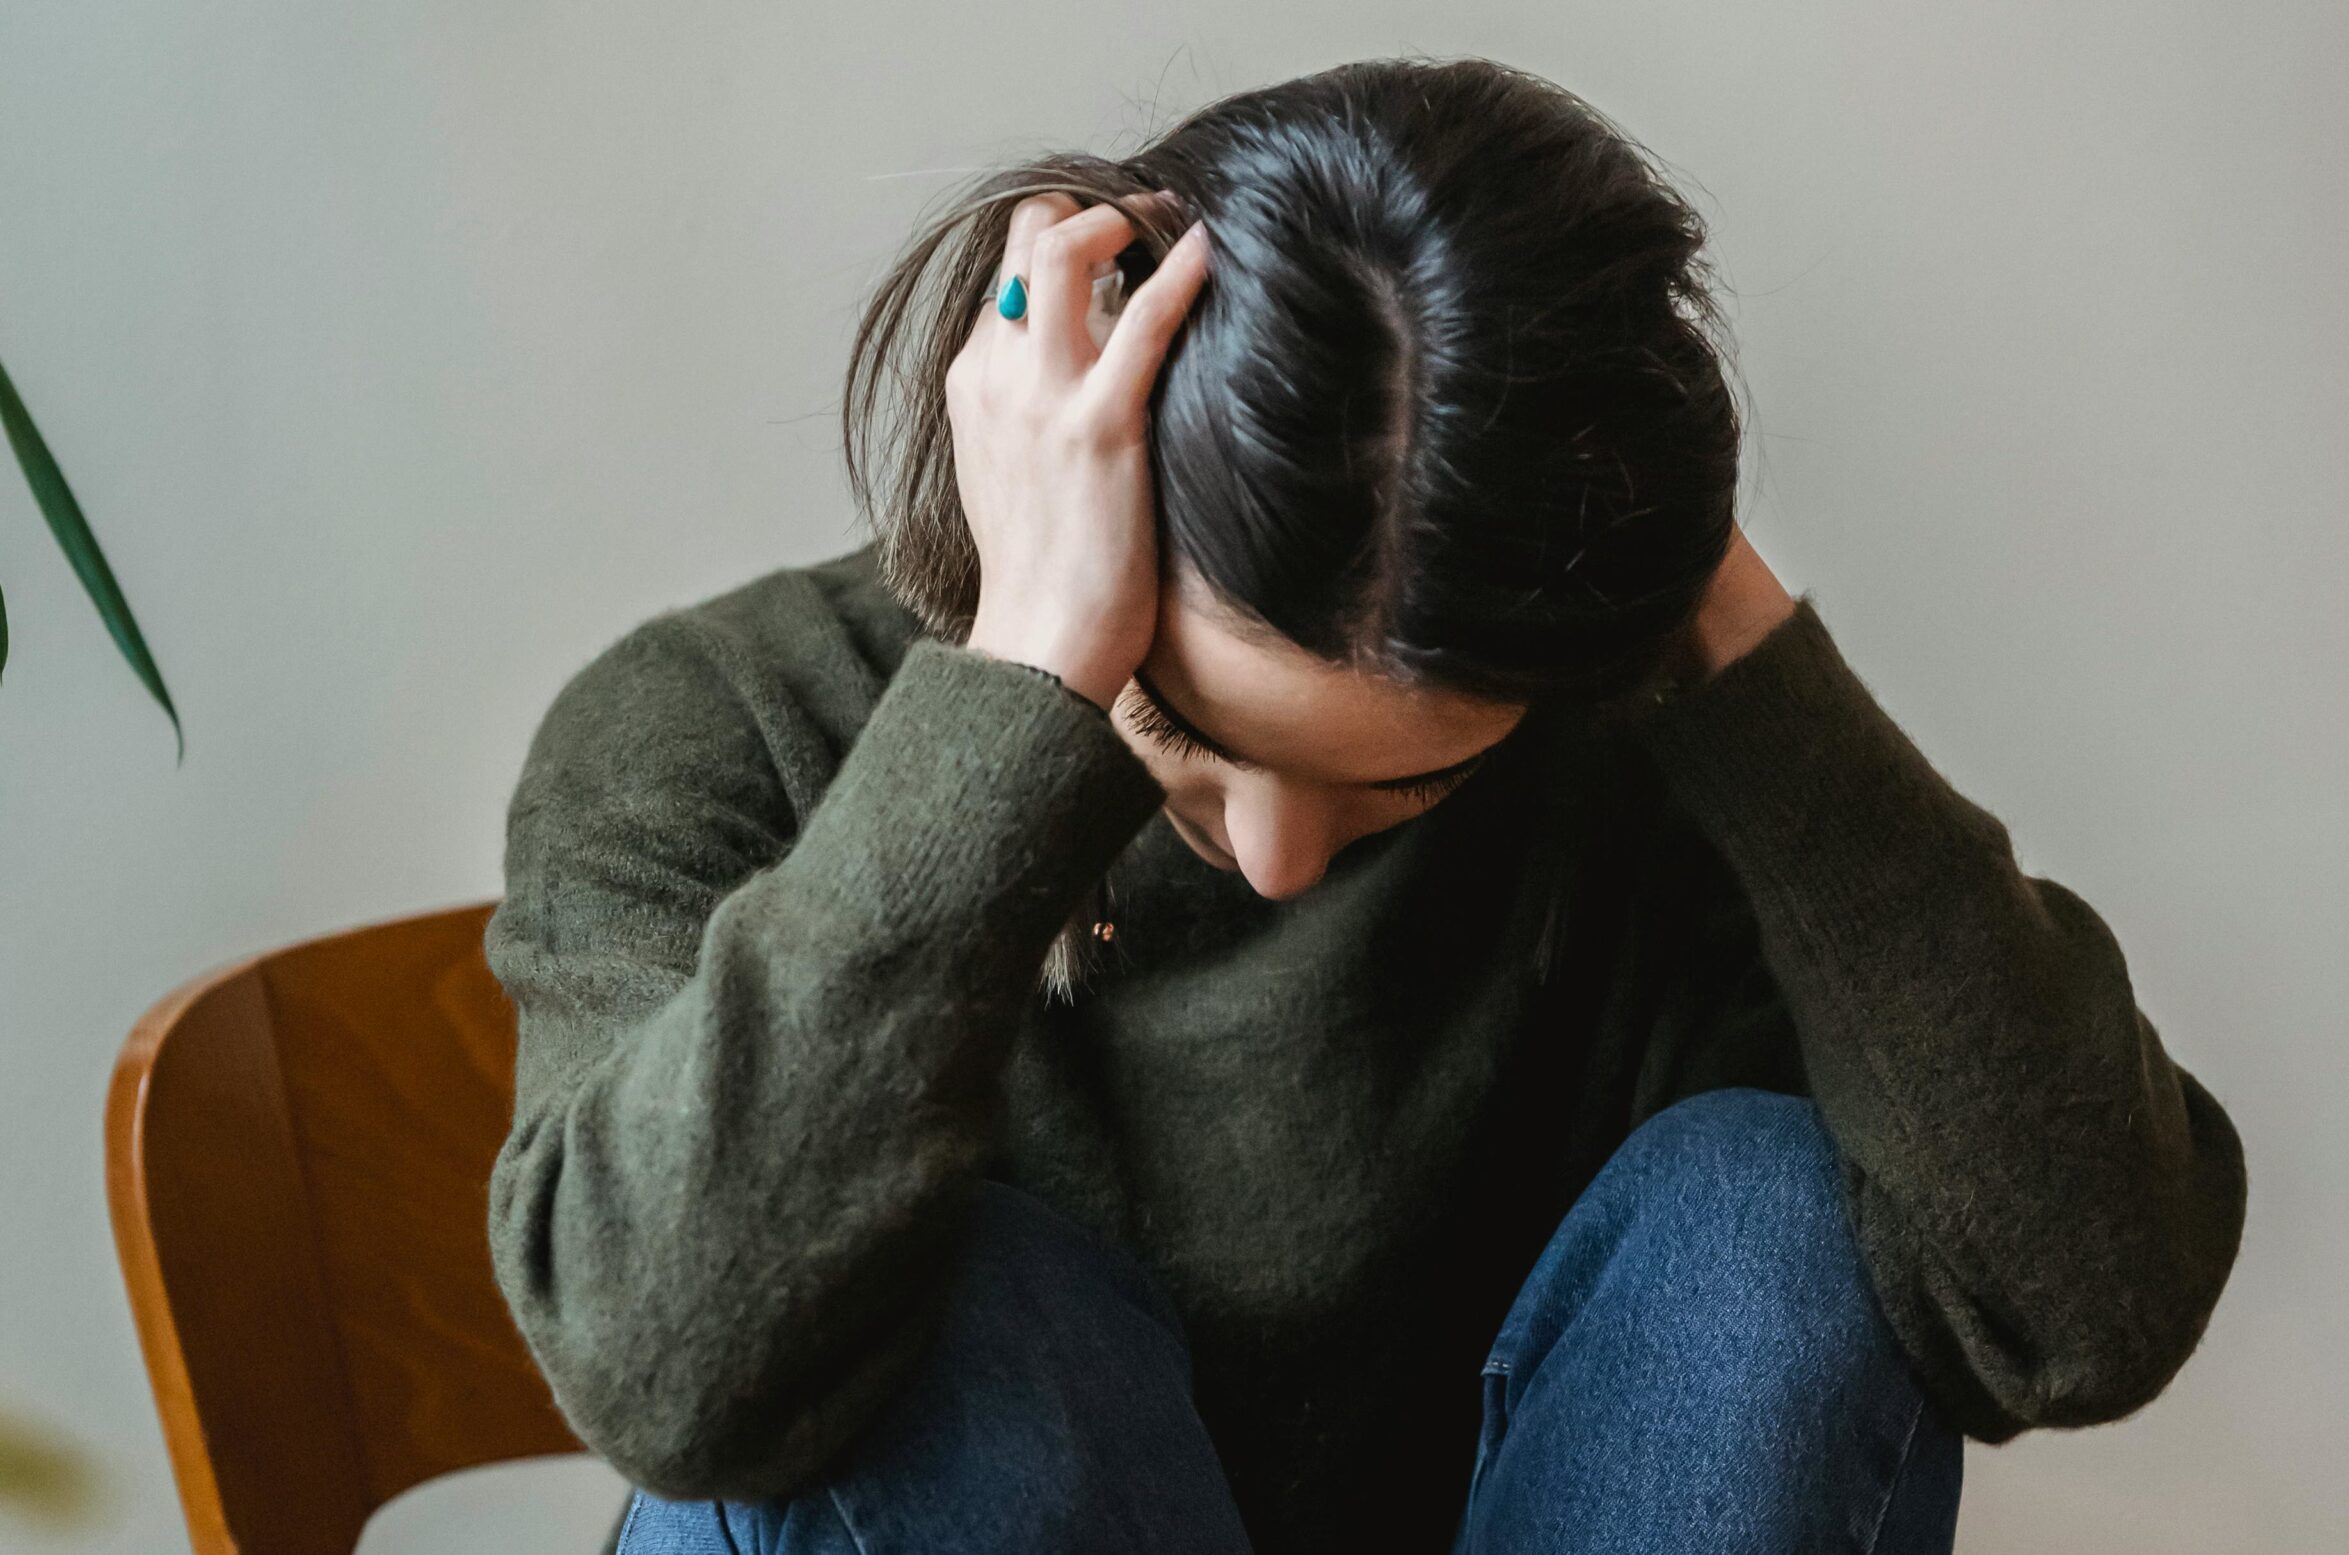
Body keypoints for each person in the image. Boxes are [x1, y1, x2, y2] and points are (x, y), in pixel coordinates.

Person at [481, 56, 2248, 1555]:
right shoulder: (720, 727)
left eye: (1401, 781)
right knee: (907, 1315)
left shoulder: (1607, 756)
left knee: (1774, 1213)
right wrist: (1025, 696)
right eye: (1181, 726)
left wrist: (1707, 606)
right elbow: (671, 1371)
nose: (1278, 856)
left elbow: (2085, 1312)